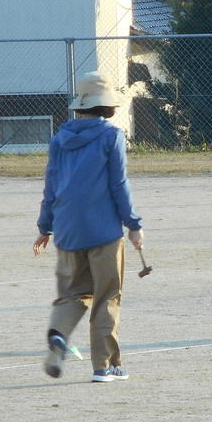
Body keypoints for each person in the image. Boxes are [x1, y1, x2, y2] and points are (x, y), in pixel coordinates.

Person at [33, 71, 143, 381]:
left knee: (72, 295)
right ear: (107, 106)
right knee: (107, 295)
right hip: (104, 231)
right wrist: (133, 224)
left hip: (67, 231)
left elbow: (51, 186)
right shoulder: (111, 136)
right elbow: (119, 184)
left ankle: (58, 336)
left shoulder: (59, 140)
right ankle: (105, 366)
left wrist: (45, 227)